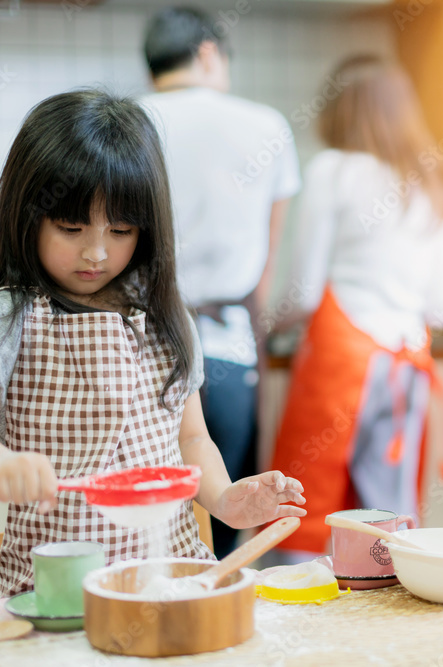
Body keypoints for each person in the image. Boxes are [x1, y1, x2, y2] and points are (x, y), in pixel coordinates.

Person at [0, 89, 305, 598]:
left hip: (170, 583)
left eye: (120, 229)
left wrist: (224, 499)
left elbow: (190, 441)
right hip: (59, 596)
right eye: (70, 227)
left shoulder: (165, 313)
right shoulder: (11, 315)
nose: (96, 252)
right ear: (28, 216)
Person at [267, 55, 443, 561]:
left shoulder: (333, 169)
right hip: (407, 362)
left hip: (342, 358)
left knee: (306, 508)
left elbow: (304, 292)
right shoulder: (436, 185)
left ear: (340, 109)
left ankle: (298, 626)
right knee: (387, 521)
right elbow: (441, 308)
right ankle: (386, 622)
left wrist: (263, 326)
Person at [140, 7, 302, 558]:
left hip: (140, 350)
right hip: (229, 347)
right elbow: (265, 268)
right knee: (230, 517)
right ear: (209, 52)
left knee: (145, 519)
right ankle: (218, 621)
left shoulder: (130, 123)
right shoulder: (267, 126)